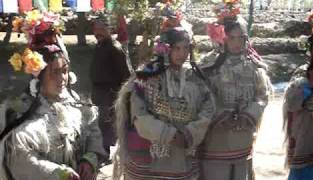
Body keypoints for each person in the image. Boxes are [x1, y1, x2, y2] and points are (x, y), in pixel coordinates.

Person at [0, 10, 106, 180]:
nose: (62, 78)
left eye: (64, 71)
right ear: (39, 76)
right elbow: (22, 160)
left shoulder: (78, 105)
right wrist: (55, 172)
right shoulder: (20, 114)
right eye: (55, 72)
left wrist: (89, 159)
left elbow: (94, 134)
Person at [112, 27, 215, 180]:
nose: (182, 53)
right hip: (150, 158)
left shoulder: (194, 79)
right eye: (177, 48)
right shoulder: (146, 77)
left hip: (183, 154)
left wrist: (190, 133)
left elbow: (208, 109)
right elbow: (138, 115)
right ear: (166, 49)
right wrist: (168, 134)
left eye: (186, 48)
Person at [199, 1, 272, 179]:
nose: (237, 42)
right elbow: (201, 97)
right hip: (216, 137)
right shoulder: (208, 66)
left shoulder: (254, 66)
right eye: (232, 37)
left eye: (241, 37)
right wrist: (221, 115)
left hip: (243, 136)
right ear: (222, 38)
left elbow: (263, 95)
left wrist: (249, 114)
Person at [283, 11, 313, 180]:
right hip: (305, 138)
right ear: (311, 51)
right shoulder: (302, 73)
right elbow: (290, 106)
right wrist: (309, 85)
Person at [90, 19, 130, 162]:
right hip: (98, 92)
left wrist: (121, 96)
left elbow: (126, 75)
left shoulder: (115, 48)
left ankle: (106, 154)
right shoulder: (99, 46)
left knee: (106, 124)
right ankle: (101, 151)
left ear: (109, 29)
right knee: (97, 123)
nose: (98, 32)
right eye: (96, 29)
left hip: (109, 93)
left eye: (101, 29)